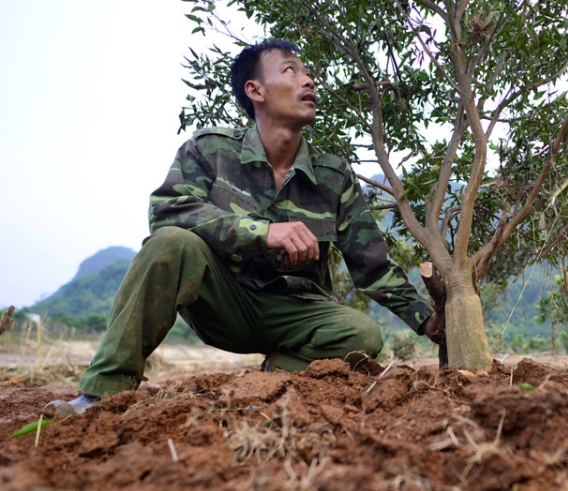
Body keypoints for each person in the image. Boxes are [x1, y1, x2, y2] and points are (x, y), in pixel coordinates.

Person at [42, 39, 439, 417]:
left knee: (363, 335)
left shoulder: (334, 176)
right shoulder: (210, 150)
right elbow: (168, 211)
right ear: (256, 90)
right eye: (290, 70)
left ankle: (273, 377)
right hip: (223, 303)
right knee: (170, 243)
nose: (308, 80)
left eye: (308, 73)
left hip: (297, 312)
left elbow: (372, 266)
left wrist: (426, 319)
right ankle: (102, 392)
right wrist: (263, 232)